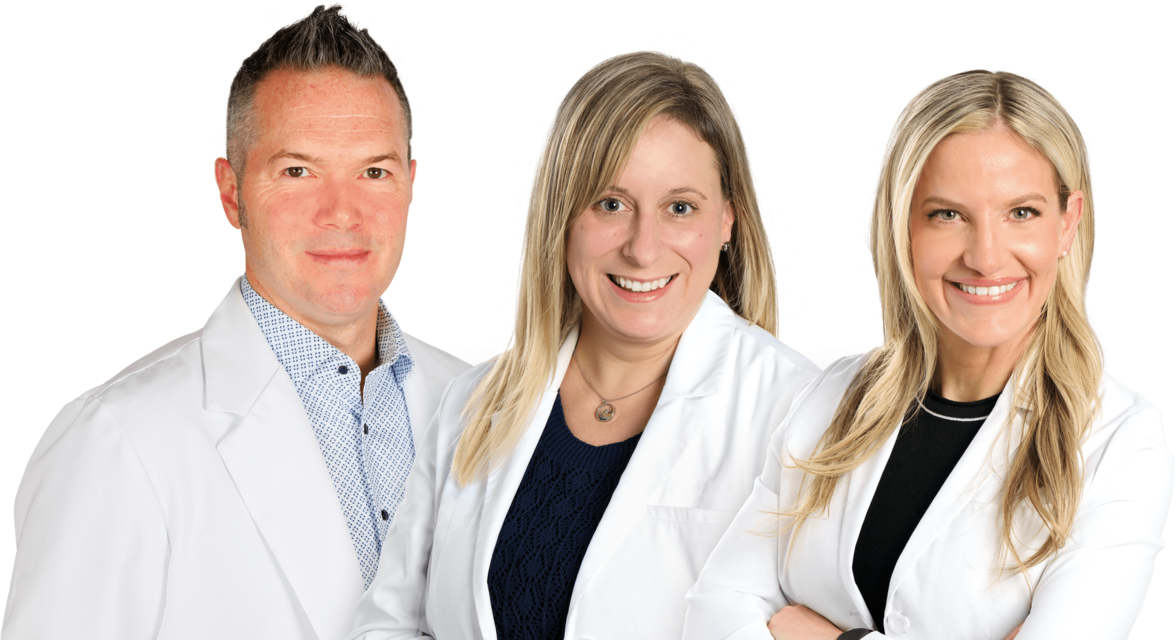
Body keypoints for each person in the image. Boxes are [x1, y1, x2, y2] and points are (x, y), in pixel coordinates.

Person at [4, 4, 470, 638]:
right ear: (231, 193)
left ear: (410, 185)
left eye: (374, 171)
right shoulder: (118, 441)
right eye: (298, 171)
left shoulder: (483, 405)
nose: (342, 212)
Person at [346, 49, 822, 640]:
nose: (642, 249)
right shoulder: (473, 402)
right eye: (610, 204)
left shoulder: (798, 412)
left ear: (727, 219)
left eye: (680, 208)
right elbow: (388, 625)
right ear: (563, 217)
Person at [683, 68, 1173, 640]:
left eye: (1021, 213)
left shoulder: (1120, 443)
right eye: (948, 214)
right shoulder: (834, 393)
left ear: (1067, 224)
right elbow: (713, 613)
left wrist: (826, 636)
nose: (986, 258)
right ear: (904, 228)